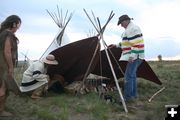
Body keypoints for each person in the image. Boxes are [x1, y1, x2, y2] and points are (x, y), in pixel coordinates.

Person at [110, 14, 144, 101]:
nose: (121, 25)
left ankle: (127, 97)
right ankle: (133, 95)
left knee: (128, 76)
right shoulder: (129, 29)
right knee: (132, 76)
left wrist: (132, 56)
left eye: (121, 23)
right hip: (136, 55)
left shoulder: (132, 29)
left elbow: (136, 44)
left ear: (126, 21)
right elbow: (126, 43)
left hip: (135, 56)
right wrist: (116, 45)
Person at [0, 15, 21, 116]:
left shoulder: (2, 33)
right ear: (14, 24)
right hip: (3, 65)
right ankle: (1, 111)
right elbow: (7, 52)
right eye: (18, 25)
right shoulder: (8, 35)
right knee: (3, 87)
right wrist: (11, 67)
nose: (18, 28)